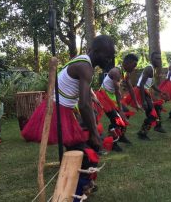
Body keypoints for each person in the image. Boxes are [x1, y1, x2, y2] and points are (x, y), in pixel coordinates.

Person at [22, 35, 115, 197]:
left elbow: (83, 100)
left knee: (82, 147)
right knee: (83, 152)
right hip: (58, 111)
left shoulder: (83, 61)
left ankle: (84, 184)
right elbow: (84, 104)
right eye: (107, 56)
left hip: (63, 109)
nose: (109, 60)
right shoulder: (85, 67)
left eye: (111, 56)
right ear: (96, 51)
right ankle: (75, 191)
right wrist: (93, 133)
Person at [95, 54, 140, 152]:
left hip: (112, 97)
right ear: (126, 63)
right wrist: (120, 110)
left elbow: (130, 88)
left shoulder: (125, 73)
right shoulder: (116, 72)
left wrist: (136, 103)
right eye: (133, 65)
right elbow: (117, 91)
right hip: (104, 97)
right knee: (116, 119)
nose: (134, 68)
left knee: (126, 113)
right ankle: (113, 142)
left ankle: (121, 135)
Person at [123, 52, 168, 140]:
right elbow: (142, 85)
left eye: (160, 58)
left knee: (158, 106)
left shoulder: (152, 69)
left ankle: (158, 126)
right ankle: (142, 133)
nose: (159, 60)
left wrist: (160, 92)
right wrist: (143, 101)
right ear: (152, 59)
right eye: (156, 58)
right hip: (142, 92)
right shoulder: (149, 68)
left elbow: (151, 84)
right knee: (152, 114)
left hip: (145, 92)